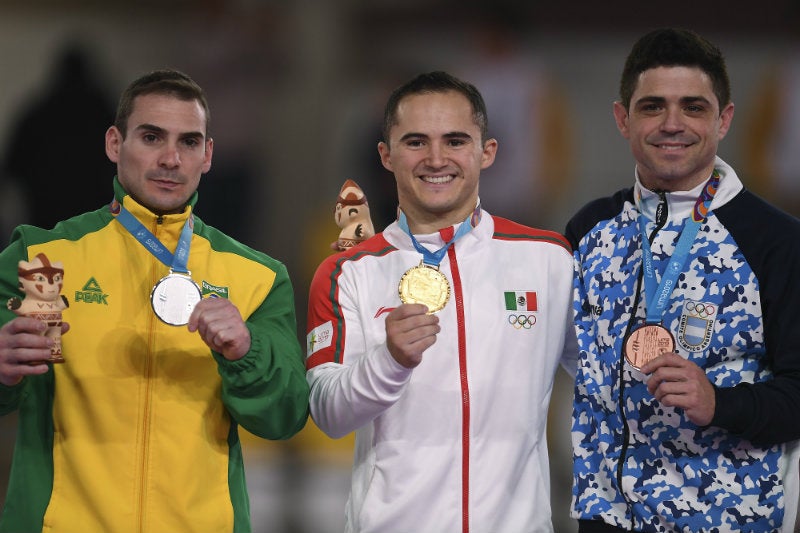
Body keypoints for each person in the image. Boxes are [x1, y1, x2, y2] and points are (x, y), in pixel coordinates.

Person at [0, 69, 309, 533]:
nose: (170, 158)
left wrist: (247, 353)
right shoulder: (40, 258)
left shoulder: (258, 278)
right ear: (113, 144)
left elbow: (284, 416)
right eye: (151, 137)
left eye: (188, 142)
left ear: (207, 156)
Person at [305, 71, 576, 532]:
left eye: (455, 140)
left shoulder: (549, 260)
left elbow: (604, 382)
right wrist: (388, 362)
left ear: (486, 152)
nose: (436, 159)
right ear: (385, 155)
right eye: (415, 142)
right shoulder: (346, 271)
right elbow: (328, 412)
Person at [565, 28, 800, 532]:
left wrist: (720, 403)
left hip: (728, 519)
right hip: (604, 517)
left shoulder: (778, 242)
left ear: (725, 119)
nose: (673, 124)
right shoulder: (588, 231)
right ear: (622, 119)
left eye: (693, 107)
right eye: (653, 107)